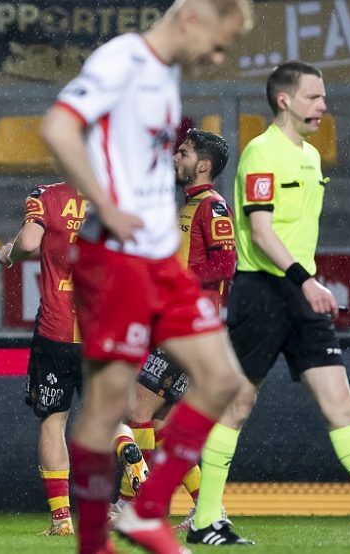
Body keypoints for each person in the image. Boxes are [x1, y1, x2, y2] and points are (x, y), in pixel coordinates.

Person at [187, 61, 350, 547]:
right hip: (263, 292)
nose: (323, 105)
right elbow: (261, 232)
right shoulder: (260, 154)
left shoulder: (309, 156)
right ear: (284, 100)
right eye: (313, 97)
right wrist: (304, 280)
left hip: (300, 293)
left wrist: (304, 283)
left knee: (341, 403)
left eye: (323, 97)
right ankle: (206, 520)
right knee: (237, 404)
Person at [39, 0, 254, 554]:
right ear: (192, 20)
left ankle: (145, 513)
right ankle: (94, 543)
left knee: (223, 380)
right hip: (114, 258)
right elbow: (58, 127)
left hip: (159, 260)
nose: (217, 58)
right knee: (109, 407)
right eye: (219, 44)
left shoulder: (163, 79)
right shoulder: (124, 59)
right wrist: (106, 204)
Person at [0, 183, 149, 538]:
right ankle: (129, 451)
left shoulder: (44, 196)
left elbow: (30, 242)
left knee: (54, 422)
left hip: (58, 329)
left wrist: (10, 253)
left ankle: (62, 518)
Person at [124, 129, 236, 527]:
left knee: (137, 410)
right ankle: (208, 509)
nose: (176, 158)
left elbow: (226, 265)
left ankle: (143, 505)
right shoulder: (189, 205)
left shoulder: (213, 207)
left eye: (184, 153)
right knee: (160, 427)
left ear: (202, 165)